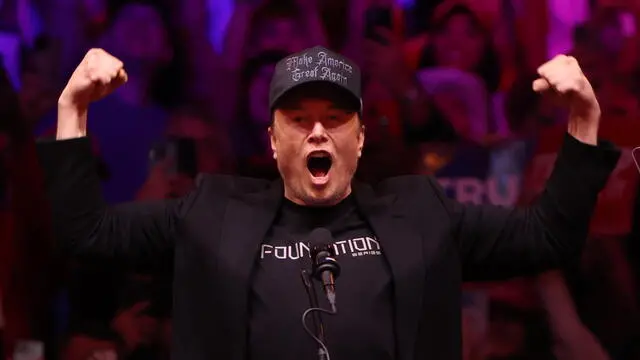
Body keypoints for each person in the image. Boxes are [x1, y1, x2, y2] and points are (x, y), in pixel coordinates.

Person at [38, 45, 620, 360]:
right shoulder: (211, 211)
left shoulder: (420, 211)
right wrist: (72, 111)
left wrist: (584, 120)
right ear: (273, 140)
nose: (318, 133)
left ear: (360, 139)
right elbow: (86, 234)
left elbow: (551, 236)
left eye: (336, 119)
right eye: (298, 120)